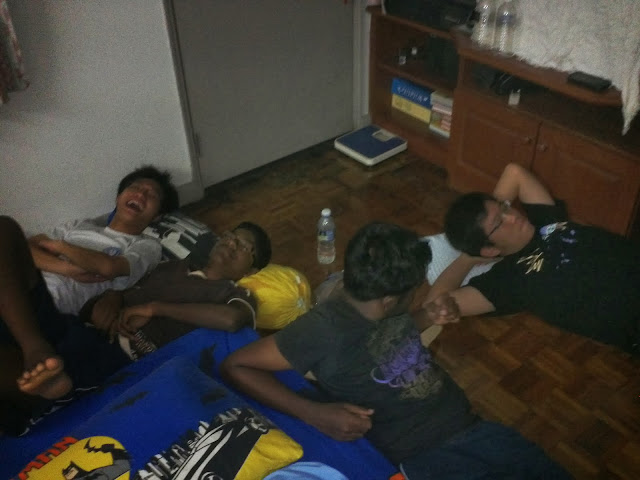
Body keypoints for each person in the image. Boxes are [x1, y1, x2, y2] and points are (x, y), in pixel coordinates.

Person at [221, 222, 569, 479]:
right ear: (390, 300)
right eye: (415, 289)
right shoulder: (322, 330)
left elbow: (391, 332)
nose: (418, 293)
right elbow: (237, 366)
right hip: (426, 456)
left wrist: (427, 315)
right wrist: (313, 412)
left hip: (474, 427)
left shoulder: (376, 301)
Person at [0, 165, 178, 434]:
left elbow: (108, 267)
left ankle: (35, 350)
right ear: (119, 196)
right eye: (135, 188)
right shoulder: (78, 226)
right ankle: (36, 371)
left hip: (45, 311)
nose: (141, 194)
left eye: (151, 195)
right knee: (5, 230)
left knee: (4, 227)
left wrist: (59, 247)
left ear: (158, 215)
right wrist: (67, 268)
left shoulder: (145, 246)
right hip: (16, 293)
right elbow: (27, 248)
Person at [428, 162, 640, 353]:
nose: (513, 216)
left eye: (504, 207)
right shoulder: (508, 282)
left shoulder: (545, 220)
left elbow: (514, 172)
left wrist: (493, 213)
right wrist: (468, 258)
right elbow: (433, 306)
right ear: (489, 250)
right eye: (499, 223)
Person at [82, 222, 272, 360]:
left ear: (251, 271)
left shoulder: (236, 294)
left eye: (244, 246)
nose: (231, 244)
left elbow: (232, 319)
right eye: (230, 236)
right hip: (97, 333)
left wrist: (154, 309)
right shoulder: (171, 266)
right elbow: (125, 288)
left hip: (133, 362)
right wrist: (113, 297)